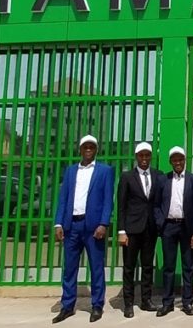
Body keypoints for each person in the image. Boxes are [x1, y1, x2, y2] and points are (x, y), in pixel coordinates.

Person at [52, 135, 115, 324]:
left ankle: (97, 305)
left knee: (96, 267)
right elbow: (63, 197)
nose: (88, 150)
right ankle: (67, 305)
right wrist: (58, 223)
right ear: (80, 149)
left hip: (93, 227)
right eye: (85, 147)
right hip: (72, 225)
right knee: (69, 268)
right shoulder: (71, 171)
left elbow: (108, 200)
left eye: (91, 147)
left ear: (96, 150)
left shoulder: (105, 171)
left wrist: (103, 223)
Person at [153, 146, 193, 317]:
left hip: (187, 227)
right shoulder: (163, 180)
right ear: (170, 161)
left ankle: (188, 302)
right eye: (174, 159)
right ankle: (167, 303)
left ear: (184, 160)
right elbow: (156, 205)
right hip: (168, 227)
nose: (178, 162)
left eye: (180, 159)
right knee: (169, 266)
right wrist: (160, 223)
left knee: (188, 266)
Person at [117, 142, 162, 318]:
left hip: (150, 229)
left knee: (148, 266)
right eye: (141, 155)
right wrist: (121, 230)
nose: (144, 158)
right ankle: (128, 303)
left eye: (147, 155)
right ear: (136, 157)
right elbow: (121, 205)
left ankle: (146, 300)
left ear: (151, 156)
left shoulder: (158, 175)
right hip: (131, 229)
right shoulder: (127, 177)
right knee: (129, 267)